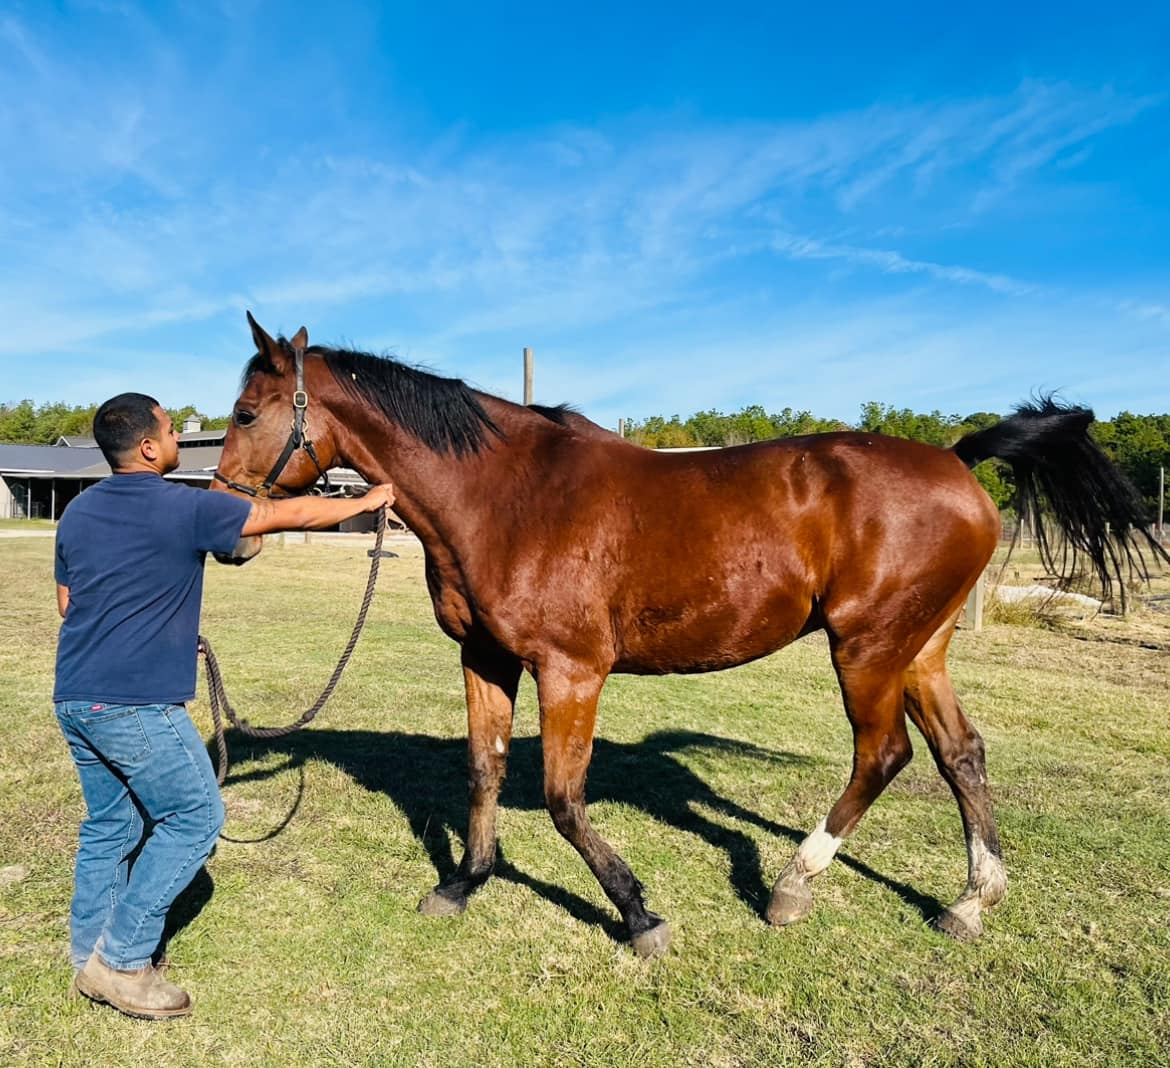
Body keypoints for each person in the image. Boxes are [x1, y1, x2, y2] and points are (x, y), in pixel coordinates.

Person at [53, 392, 394, 1020]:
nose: (177, 430)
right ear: (151, 447)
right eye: (169, 424)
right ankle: (124, 962)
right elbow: (282, 515)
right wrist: (365, 502)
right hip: (137, 703)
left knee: (112, 825)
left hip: (75, 696)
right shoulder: (184, 507)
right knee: (194, 817)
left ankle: (87, 955)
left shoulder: (76, 515)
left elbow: (67, 605)